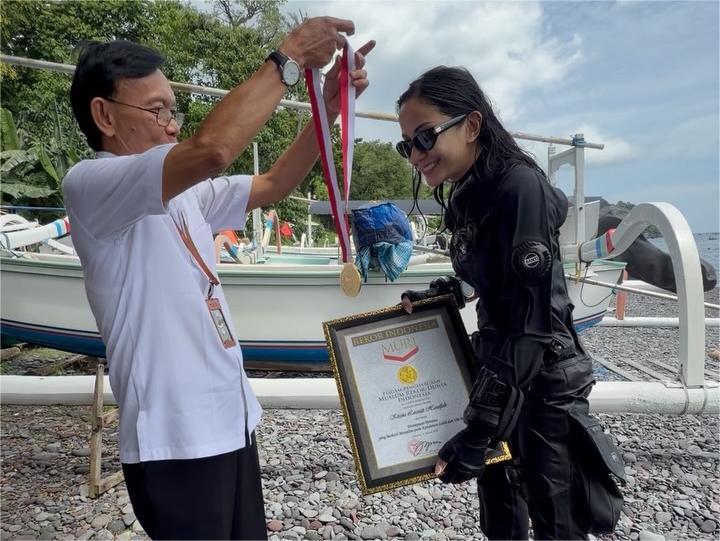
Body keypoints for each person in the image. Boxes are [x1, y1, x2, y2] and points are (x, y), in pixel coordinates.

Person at [63, 21, 373, 540]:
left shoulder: (187, 194)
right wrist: (288, 59)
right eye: (157, 110)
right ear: (105, 115)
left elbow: (274, 183)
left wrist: (329, 106)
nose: (171, 126)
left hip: (230, 421)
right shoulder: (90, 184)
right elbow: (213, 149)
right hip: (176, 441)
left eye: (173, 111)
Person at [396, 66, 625, 540]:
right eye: (407, 145)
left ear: (471, 125)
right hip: (500, 368)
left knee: (556, 521)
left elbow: (531, 323)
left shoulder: (519, 187)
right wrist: (444, 295)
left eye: (424, 137)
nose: (416, 154)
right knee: (500, 515)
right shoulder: (466, 194)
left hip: (543, 378)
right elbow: (489, 280)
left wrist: (480, 427)